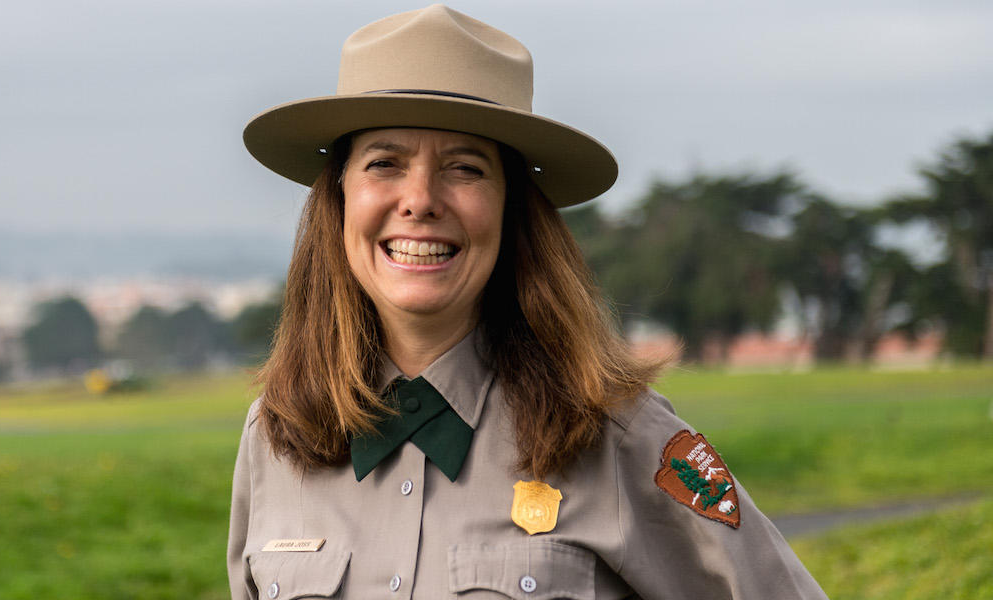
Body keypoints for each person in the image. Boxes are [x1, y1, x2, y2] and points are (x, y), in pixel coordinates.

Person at [228, 5, 827, 599]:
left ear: (513, 207)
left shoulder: (617, 433)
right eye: (384, 163)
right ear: (337, 198)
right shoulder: (275, 435)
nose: (420, 200)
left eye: (465, 168)